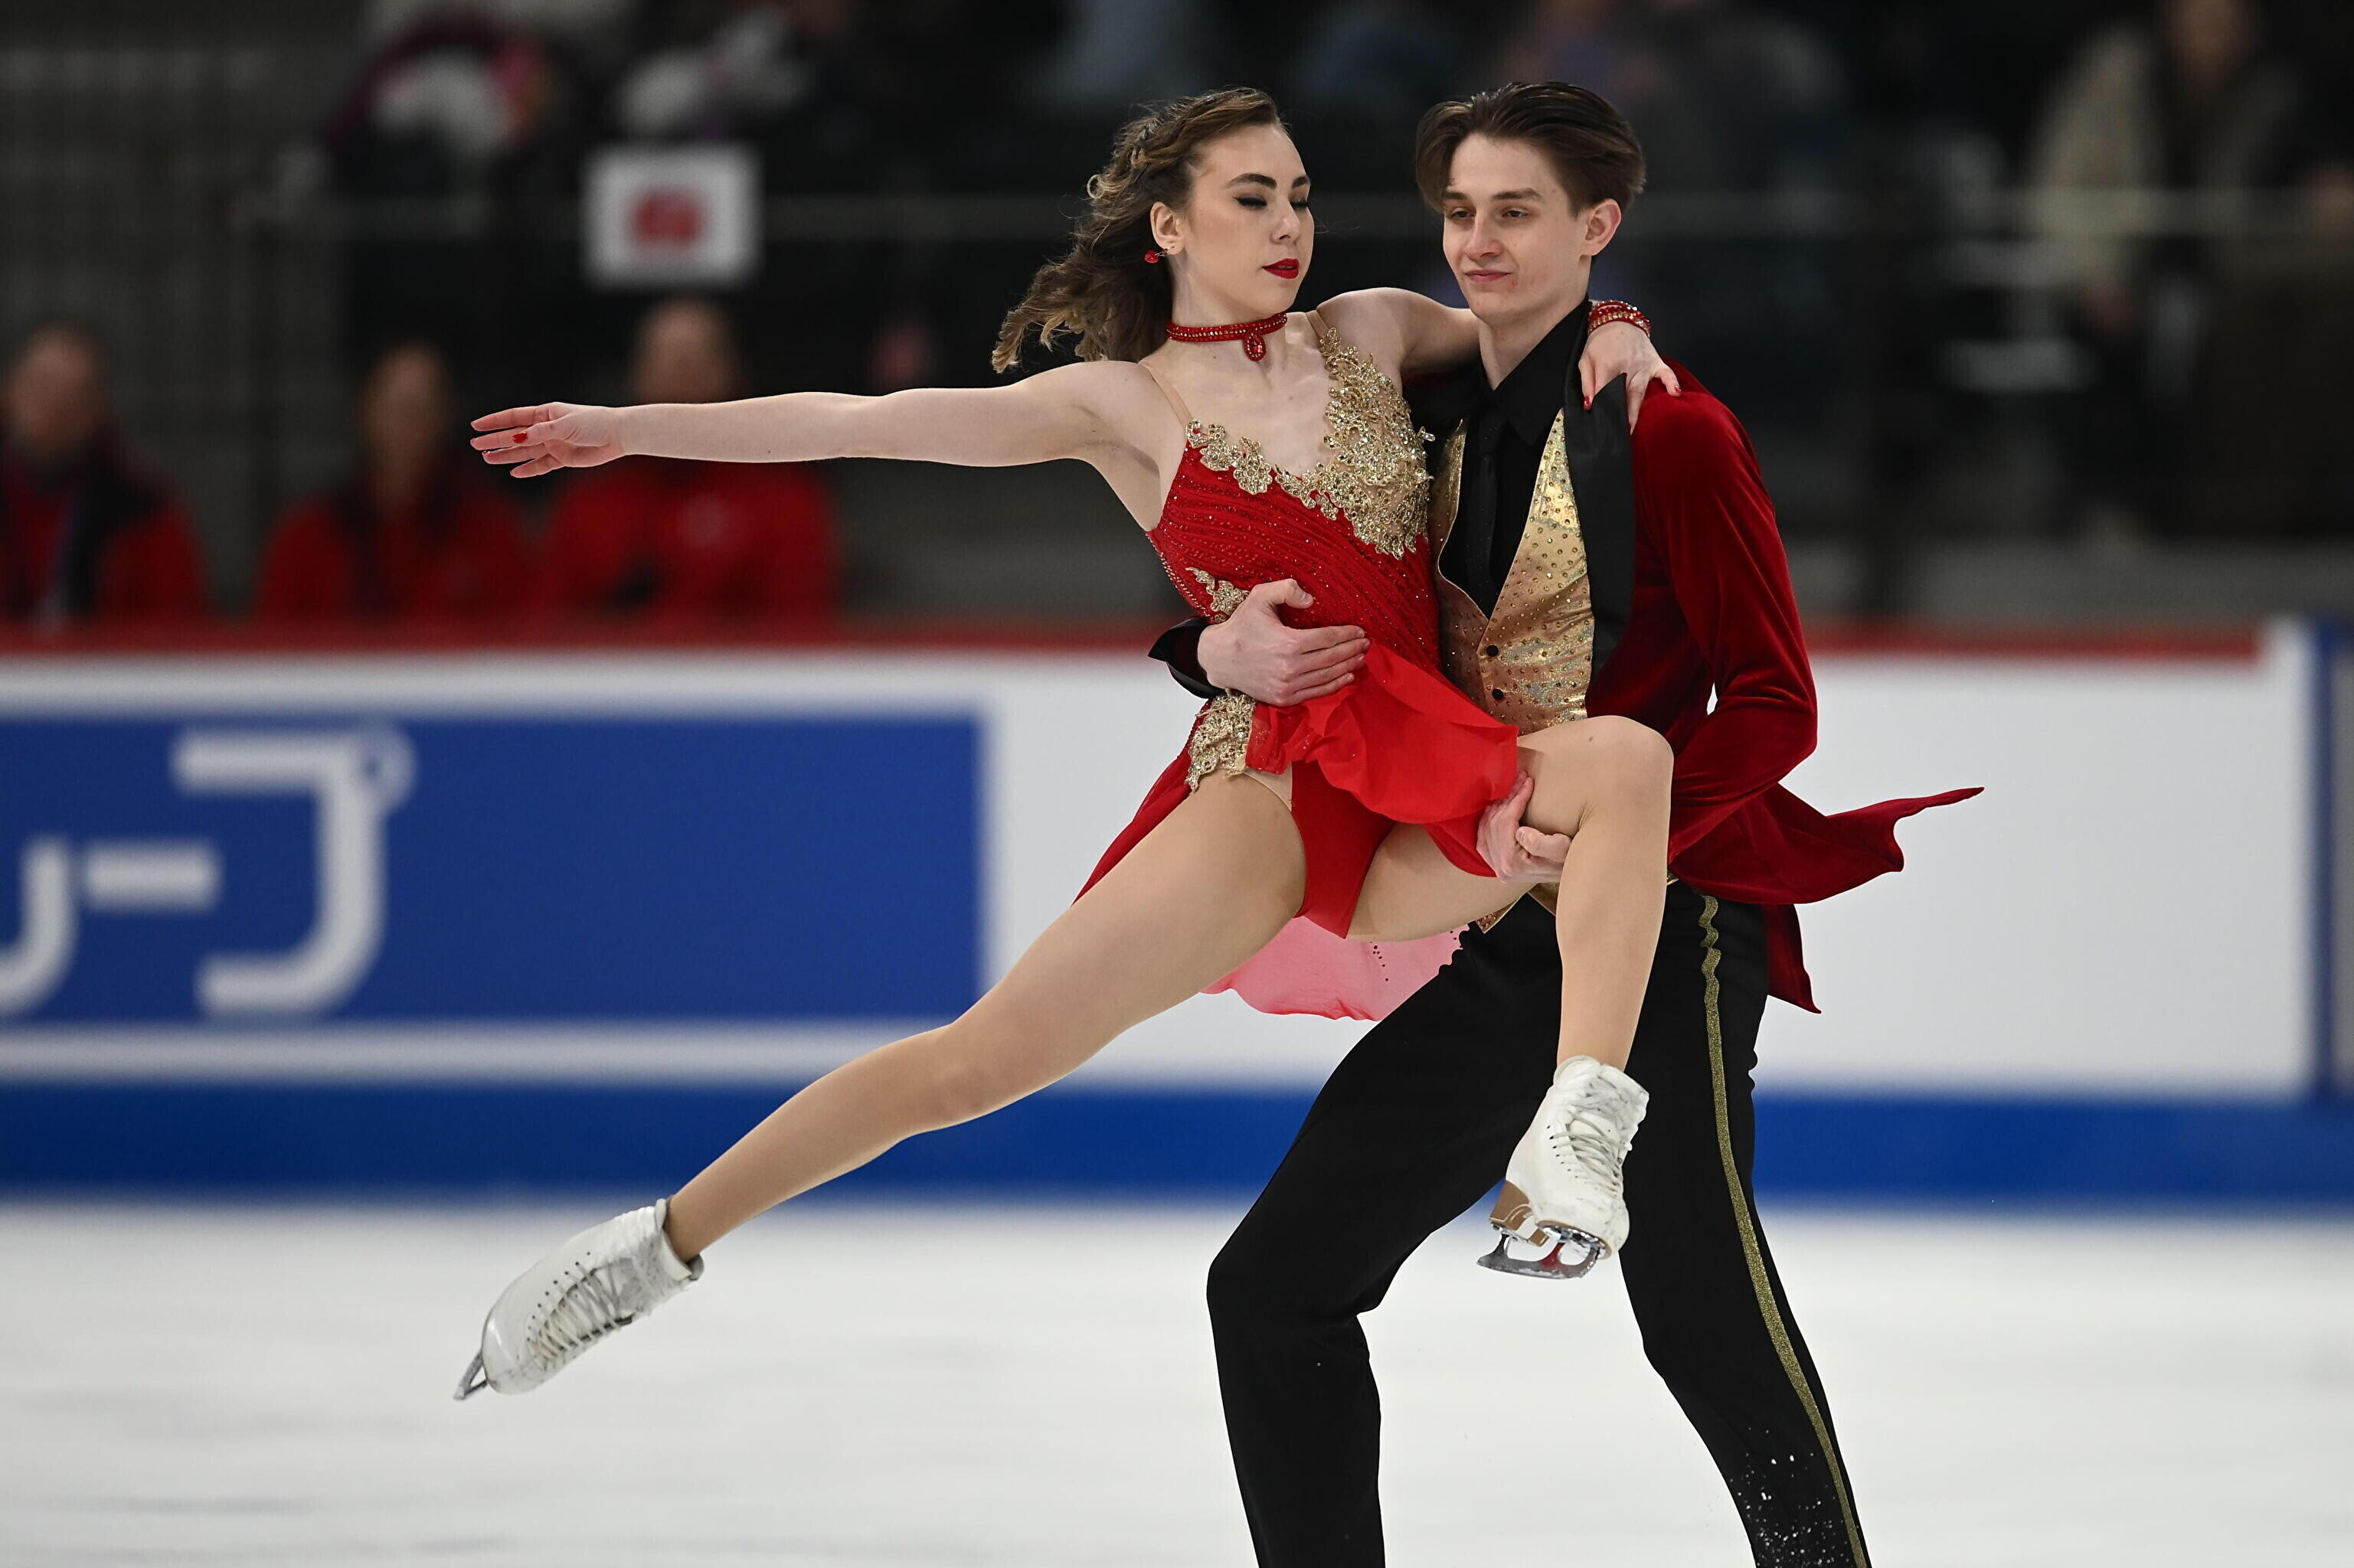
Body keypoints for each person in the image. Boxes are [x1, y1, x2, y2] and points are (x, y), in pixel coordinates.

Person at [453, 87, 1686, 1403]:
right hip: (1272, 791)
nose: (1288, 225)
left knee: (1627, 766)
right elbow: (866, 420)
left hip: (1427, 765)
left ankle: (1576, 1133)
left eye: (1299, 197)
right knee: (975, 1062)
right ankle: (648, 1251)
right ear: (1169, 226)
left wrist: (1615, 320)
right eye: (1251, 198)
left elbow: (1525, 324)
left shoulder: (1368, 331)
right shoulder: (1123, 404)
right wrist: (626, 429)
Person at [1149, 83, 1976, 1567]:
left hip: (1675, 917)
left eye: (1515, 212)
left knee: (1699, 1316)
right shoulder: (1423, 413)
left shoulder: (1673, 433)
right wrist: (1197, 647)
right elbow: (1260, 533)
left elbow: (1775, 704)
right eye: (1458, 211)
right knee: (1271, 1284)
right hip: (1502, 921)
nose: (1476, 240)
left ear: (1595, 226)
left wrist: (1621, 839)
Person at [537, 296, 841, 625]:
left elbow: (801, 624)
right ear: (636, 371)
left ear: (731, 369)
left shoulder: (784, 498)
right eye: (664, 358)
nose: (680, 373)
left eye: (696, 357)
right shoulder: (589, 502)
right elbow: (545, 624)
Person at [257, 341, 534, 623]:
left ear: (446, 415)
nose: (409, 424)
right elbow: (273, 640)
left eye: (424, 408)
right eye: (398, 407)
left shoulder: (488, 527)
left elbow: (525, 631)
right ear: (365, 409)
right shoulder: (307, 534)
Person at [0, 320, 206, 627]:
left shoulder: (143, 507)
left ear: (98, 408)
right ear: (10, 390)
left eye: (75, 394)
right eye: (43, 385)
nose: (55, 407)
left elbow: (179, 629)